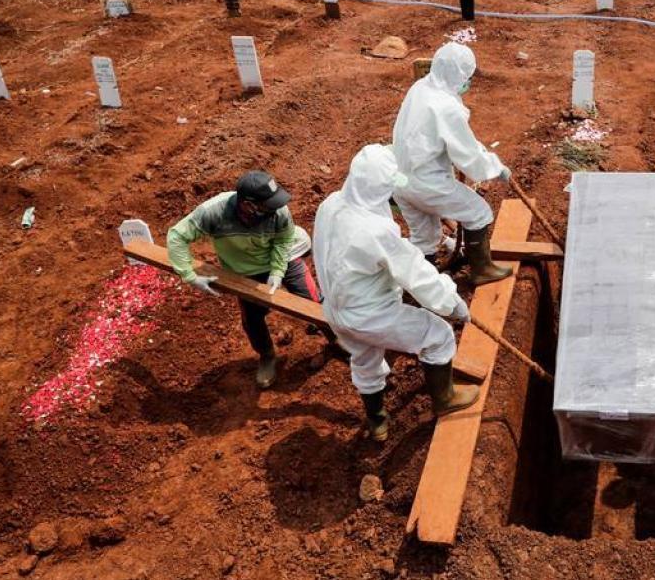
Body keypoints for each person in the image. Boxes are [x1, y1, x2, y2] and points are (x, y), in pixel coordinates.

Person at [313, 145, 478, 442]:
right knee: (437, 336)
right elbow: (416, 273)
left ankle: (377, 421)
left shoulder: (332, 205)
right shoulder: (375, 231)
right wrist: (452, 304)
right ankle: (445, 399)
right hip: (371, 313)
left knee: (365, 360)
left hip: (336, 310)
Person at [167, 171, 322, 389]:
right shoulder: (214, 212)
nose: (275, 208)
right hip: (245, 270)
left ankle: (336, 341)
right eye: (268, 205)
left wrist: (277, 271)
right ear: (249, 205)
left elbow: (284, 239)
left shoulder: (279, 211)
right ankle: (267, 356)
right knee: (252, 320)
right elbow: (177, 236)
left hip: (284, 256)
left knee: (314, 303)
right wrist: (189, 275)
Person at [392, 41, 513, 286]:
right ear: (460, 75)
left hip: (400, 180)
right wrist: (495, 168)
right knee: (479, 213)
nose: (468, 82)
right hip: (428, 183)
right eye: (467, 76)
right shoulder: (447, 108)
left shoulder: (420, 87)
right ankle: (482, 270)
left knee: (424, 236)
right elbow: (468, 157)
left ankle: (423, 284)